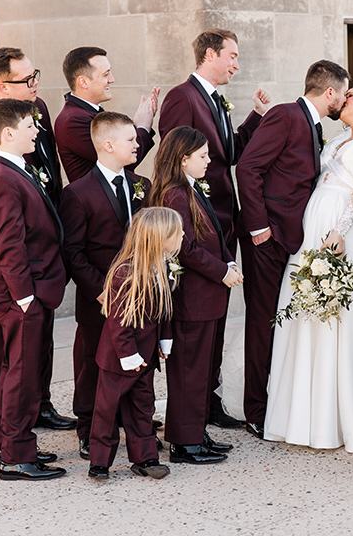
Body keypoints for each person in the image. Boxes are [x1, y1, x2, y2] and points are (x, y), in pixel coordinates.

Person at [264, 85, 353, 453]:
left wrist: (341, 230)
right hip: (313, 221)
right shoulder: (337, 138)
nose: (344, 100)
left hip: (345, 227)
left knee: (344, 311)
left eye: (351, 95)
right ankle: (305, 414)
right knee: (307, 306)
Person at [0, 47, 74, 435]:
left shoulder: (35, 107)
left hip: (42, 247)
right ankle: (0, 413)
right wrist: (19, 244)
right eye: (27, 79)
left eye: (34, 74)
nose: (35, 84)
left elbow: (49, 170)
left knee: (38, 334)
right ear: (2, 86)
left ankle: (38, 403)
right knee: (6, 340)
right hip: (10, 254)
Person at [158, 29, 269, 428]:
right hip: (198, 222)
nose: (237, 65)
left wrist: (254, 118)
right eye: (232, 56)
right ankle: (192, 410)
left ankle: (210, 400)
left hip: (224, 221)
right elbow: (174, 157)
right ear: (210, 54)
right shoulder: (181, 97)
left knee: (217, 316)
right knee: (196, 317)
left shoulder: (216, 100)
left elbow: (229, 155)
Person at [236, 59, 349, 440]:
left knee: (278, 322)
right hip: (268, 239)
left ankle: (277, 401)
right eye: (343, 94)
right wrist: (260, 228)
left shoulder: (313, 126)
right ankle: (256, 409)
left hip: (292, 241)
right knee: (263, 321)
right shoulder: (285, 115)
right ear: (329, 92)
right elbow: (248, 168)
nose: (344, 102)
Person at [0, 98, 67, 480]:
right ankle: (16, 456)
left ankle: (8, 443)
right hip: (20, 294)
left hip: (27, 290)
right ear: (8, 133)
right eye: (30, 126)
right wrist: (25, 296)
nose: (37, 130)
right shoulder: (3, 178)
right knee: (21, 372)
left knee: (13, 369)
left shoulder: (18, 169)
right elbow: (9, 243)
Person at [60, 112, 151, 460]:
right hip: (99, 297)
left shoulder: (141, 183)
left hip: (140, 296)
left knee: (134, 363)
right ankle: (89, 429)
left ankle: (134, 429)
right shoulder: (78, 193)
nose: (137, 143)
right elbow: (73, 251)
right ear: (108, 145)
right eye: (130, 139)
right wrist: (103, 291)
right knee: (93, 363)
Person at [147, 127, 240, 464]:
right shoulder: (174, 194)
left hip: (207, 296)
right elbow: (184, 247)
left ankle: (197, 433)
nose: (209, 160)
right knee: (189, 370)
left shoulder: (188, 188)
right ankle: (184, 443)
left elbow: (211, 233)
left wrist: (228, 259)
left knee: (202, 369)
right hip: (191, 297)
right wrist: (221, 271)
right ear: (184, 159)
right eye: (202, 155)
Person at [88, 207, 182, 481]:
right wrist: (128, 355)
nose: (183, 235)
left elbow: (165, 308)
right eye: (177, 233)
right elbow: (118, 322)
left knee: (143, 406)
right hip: (120, 356)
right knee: (107, 409)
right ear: (158, 238)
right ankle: (100, 461)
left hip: (147, 354)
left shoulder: (162, 266)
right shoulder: (125, 273)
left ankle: (145, 456)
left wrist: (165, 339)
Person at [54, 46, 159, 183]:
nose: (112, 79)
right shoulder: (73, 121)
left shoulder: (89, 111)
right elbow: (122, 159)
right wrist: (143, 127)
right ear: (83, 82)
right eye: (105, 74)